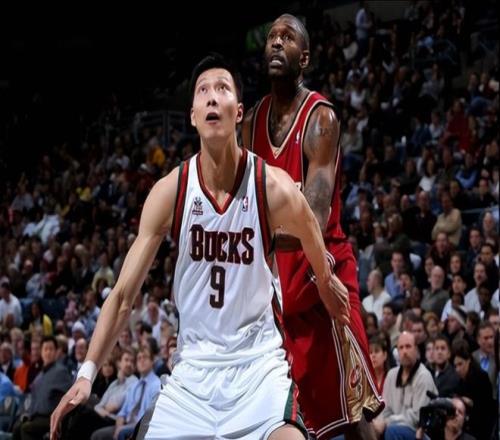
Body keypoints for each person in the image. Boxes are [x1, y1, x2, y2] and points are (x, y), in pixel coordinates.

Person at [50, 53, 349, 440]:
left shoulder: (270, 186)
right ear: (192, 115)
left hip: (258, 371)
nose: (212, 96)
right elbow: (122, 296)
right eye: (203, 90)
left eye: (222, 88)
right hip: (191, 377)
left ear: (238, 112)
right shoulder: (170, 191)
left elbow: (310, 225)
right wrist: (86, 374)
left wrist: (325, 279)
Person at [242, 13, 383, 440]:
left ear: (303, 58)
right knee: (289, 411)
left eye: (287, 38)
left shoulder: (321, 119)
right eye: (271, 36)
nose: (276, 42)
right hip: (276, 280)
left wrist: (260, 231)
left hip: (322, 270)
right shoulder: (250, 124)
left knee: (354, 409)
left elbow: (313, 220)